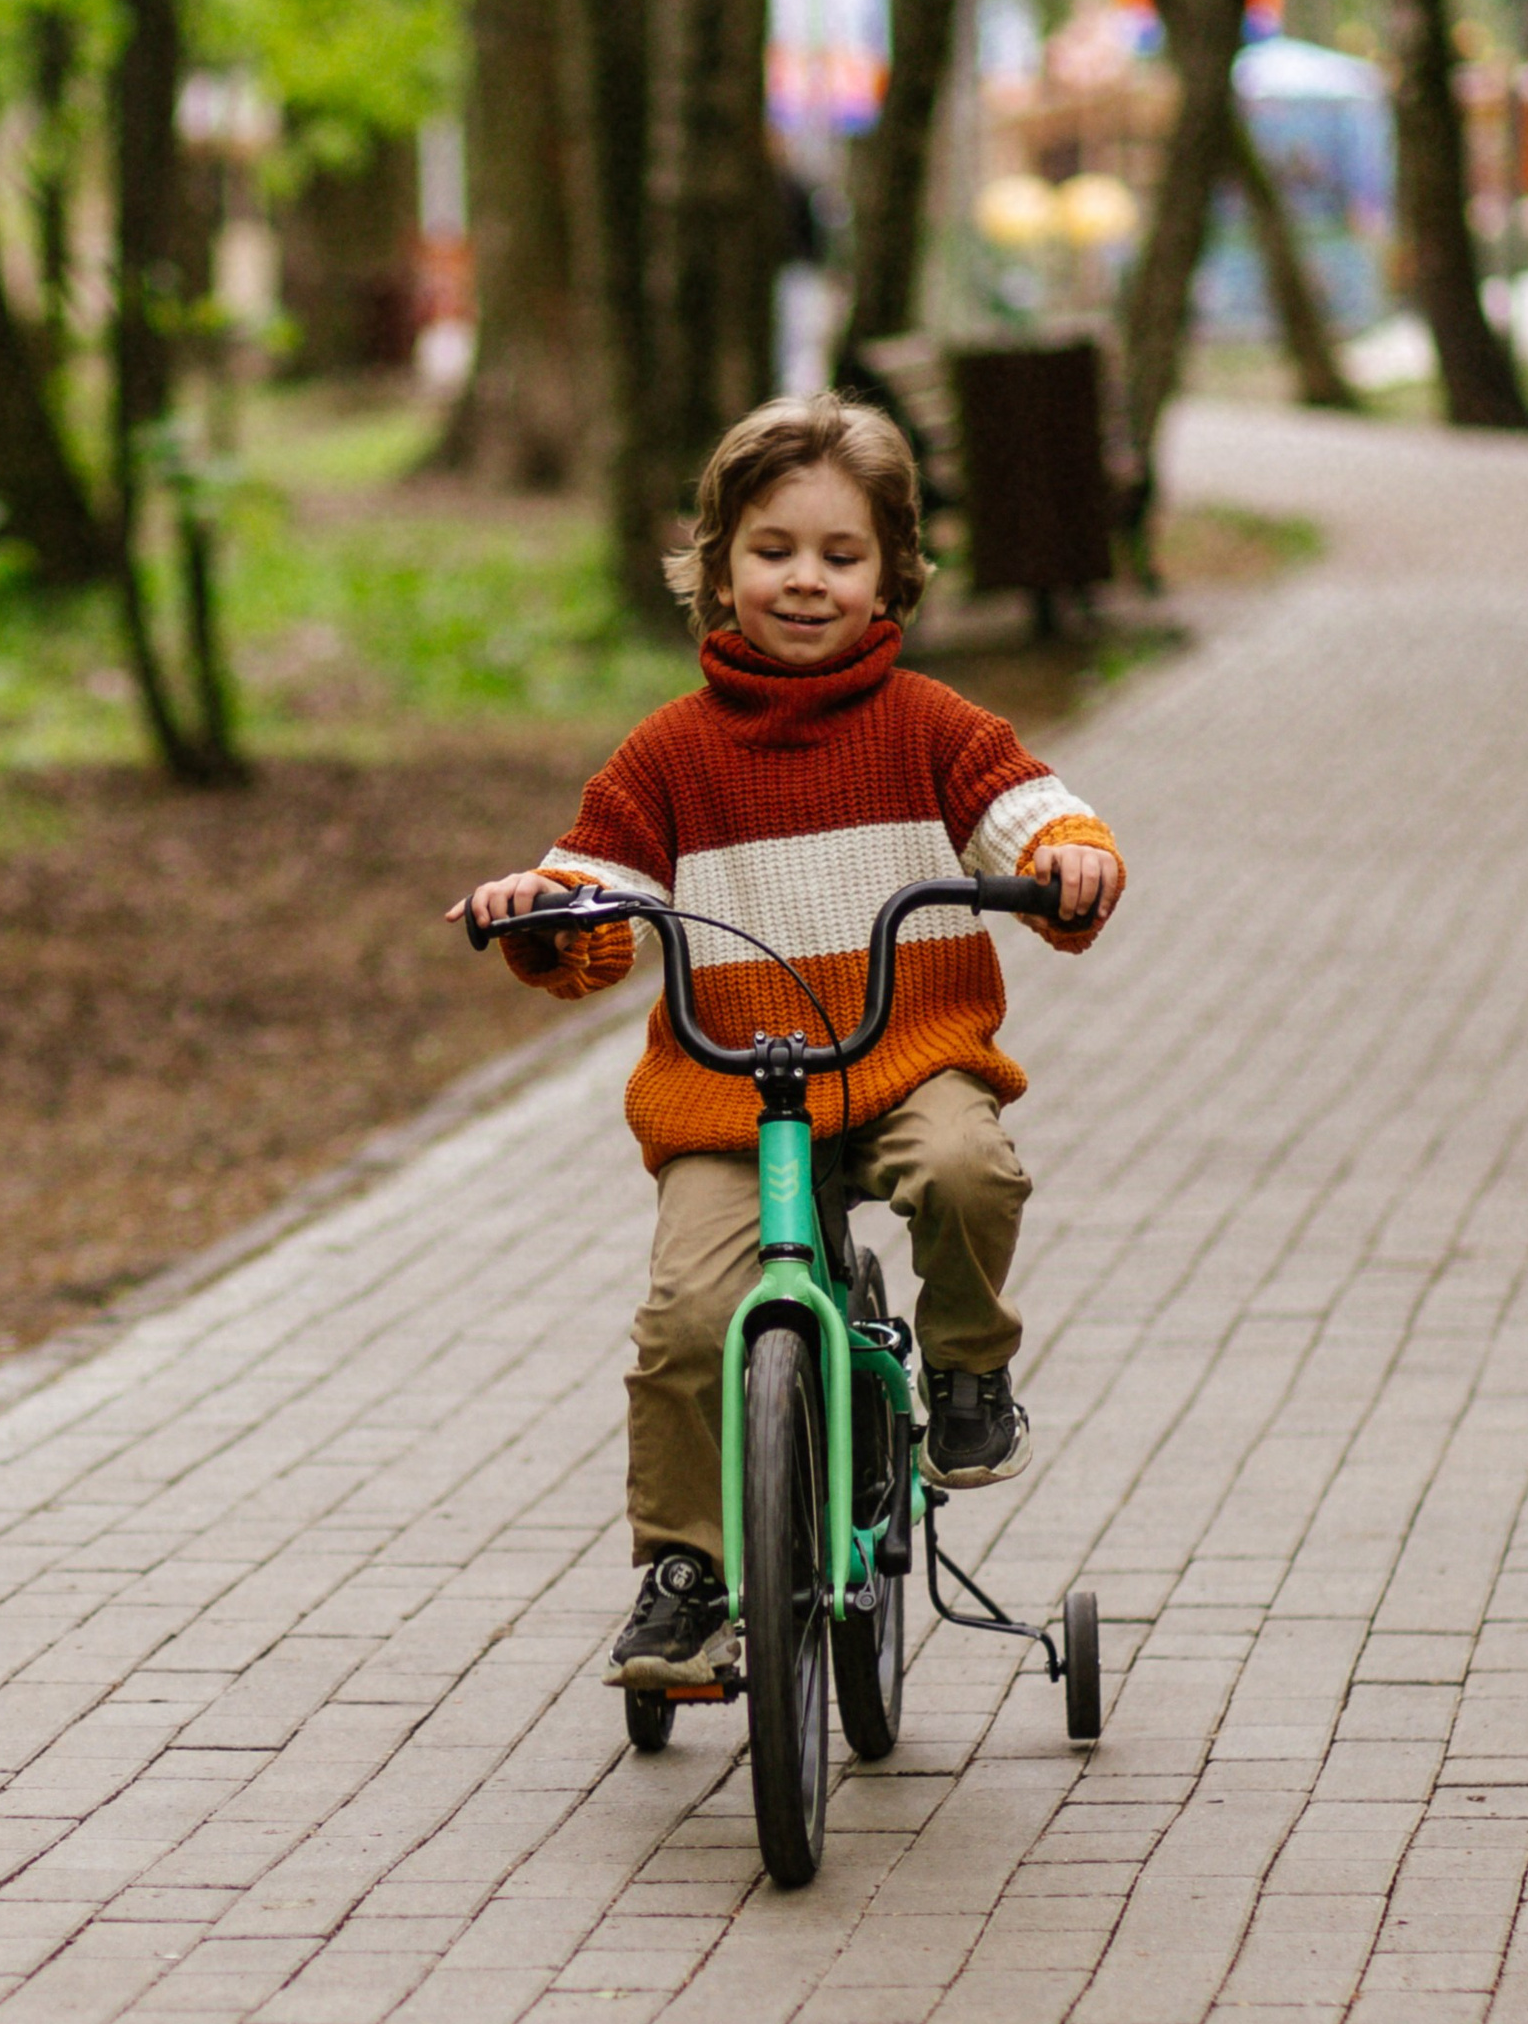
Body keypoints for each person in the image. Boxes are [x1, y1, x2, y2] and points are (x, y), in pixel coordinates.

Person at [448, 393, 1125, 1692]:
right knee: (689, 1320)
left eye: (840, 554)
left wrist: (1068, 857)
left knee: (968, 1168)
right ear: (718, 571)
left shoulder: (931, 726)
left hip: (906, 1057)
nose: (806, 579)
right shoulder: (670, 756)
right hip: (732, 1093)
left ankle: (969, 1372)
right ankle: (686, 1571)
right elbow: (596, 891)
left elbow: (1031, 811)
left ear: (892, 576)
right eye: (773, 551)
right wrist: (541, 908)